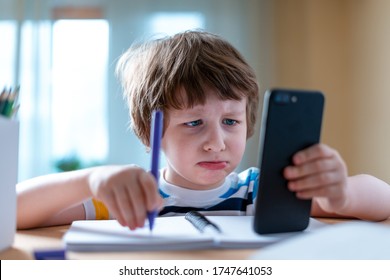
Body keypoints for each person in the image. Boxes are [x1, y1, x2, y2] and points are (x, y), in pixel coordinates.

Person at [16, 30, 390, 230]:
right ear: (150, 132)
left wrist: (340, 194)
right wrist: (93, 180)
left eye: (231, 121)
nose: (216, 143)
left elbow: (383, 202)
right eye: (194, 123)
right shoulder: (129, 197)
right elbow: (11, 212)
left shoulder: (262, 192)